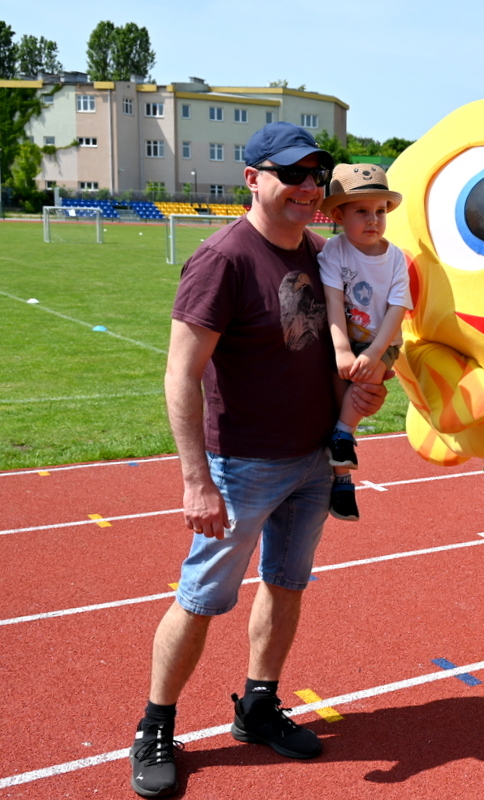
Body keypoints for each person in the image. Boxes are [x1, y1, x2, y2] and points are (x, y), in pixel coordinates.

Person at [129, 122, 386, 799]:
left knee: (286, 584)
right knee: (202, 598)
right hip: (240, 466)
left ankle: (259, 704)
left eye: (316, 175)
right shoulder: (223, 259)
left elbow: (329, 343)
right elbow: (180, 375)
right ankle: (155, 726)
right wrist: (195, 481)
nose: (307, 187)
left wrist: (356, 400)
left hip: (311, 460)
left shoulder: (323, 254)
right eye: (291, 174)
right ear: (252, 178)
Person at [317, 164, 412, 522]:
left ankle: (344, 434)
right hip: (346, 339)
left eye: (380, 212)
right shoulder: (334, 252)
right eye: (362, 211)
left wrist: (373, 354)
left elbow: (397, 309)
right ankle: (342, 482)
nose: (373, 220)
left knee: (367, 381)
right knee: (338, 392)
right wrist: (341, 349)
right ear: (338, 215)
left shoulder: (396, 258)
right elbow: (333, 301)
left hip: (382, 342)